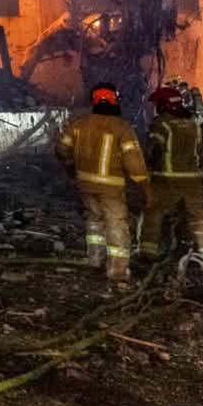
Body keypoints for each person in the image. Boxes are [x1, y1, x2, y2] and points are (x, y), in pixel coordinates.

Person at [56, 82, 149, 281]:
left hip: (85, 184)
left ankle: (95, 259)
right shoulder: (122, 127)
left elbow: (62, 149)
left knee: (94, 220)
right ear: (115, 101)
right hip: (111, 188)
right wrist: (145, 186)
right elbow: (134, 163)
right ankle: (117, 270)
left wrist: (71, 168)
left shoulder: (79, 124)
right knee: (116, 224)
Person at [140, 79, 203, 264]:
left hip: (167, 179)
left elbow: (153, 149)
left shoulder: (162, 123)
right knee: (198, 218)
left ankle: (148, 252)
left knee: (154, 213)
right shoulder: (192, 124)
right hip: (193, 180)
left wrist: (147, 166)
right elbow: (201, 150)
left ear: (163, 105)